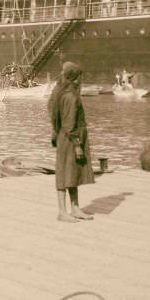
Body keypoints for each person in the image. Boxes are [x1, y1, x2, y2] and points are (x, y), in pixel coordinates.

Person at [48, 61, 94, 222]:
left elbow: (54, 116)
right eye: (80, 76)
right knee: (63, 174)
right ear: (76, 77)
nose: (81, 79)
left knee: (71, 173)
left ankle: (75, 208)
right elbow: (69, 124)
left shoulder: (59, 92)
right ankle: (62, 212)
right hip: (70, 140)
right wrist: (77, 146)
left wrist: (55, 133)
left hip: (63, 138)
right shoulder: (70, 97)